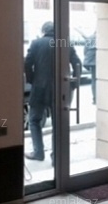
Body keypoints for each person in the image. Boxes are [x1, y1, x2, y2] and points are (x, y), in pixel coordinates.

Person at [24, 21, 81, 162]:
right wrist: (74, 83)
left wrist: (32, 80)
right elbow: (77, 63)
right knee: (58, 123)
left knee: (34, 120)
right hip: (61, 89)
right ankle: (56, 157)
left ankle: (38, 152)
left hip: (40, 88)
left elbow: (27, 63)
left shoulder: (36, 43)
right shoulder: (64, 43)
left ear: (43, 31)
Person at [78, 30, 97, 104]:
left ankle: (95, 98)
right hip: (101, 61)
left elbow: (85, 51)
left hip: (92, 62)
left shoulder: (90, 38)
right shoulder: (102, 37)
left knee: (94, 80)